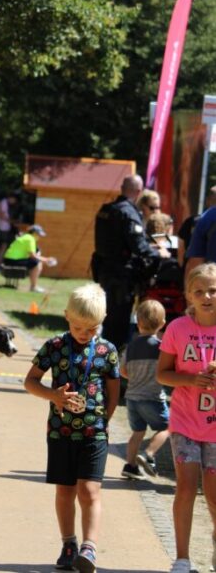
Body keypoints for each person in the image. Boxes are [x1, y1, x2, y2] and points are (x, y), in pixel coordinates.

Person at [24, 283, 120, 573]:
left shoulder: (107, 350)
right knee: (65, 491)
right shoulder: (54, 346)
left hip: (94, 434)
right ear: (67, 316)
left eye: (91, 328)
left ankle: (90, 547)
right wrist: (53, 396)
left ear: (101, 322)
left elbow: (113, 391)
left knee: (89, 490)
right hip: (60, 431)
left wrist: (104, 420)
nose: (84, 333)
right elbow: (30, 381)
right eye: (78, 327)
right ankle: (69, 544)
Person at [156, 263, 216, 573]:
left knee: (214, 494)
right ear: (189, 296)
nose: (207, 296)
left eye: (213, 290)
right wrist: (191, 380)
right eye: (199, 291)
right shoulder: (177, 328)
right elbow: (162, 374)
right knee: (186, 488)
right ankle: (182, 558)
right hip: (185, 422)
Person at [93, 174, 166, 350]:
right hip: (122, 274)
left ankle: (105, 351)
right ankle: (113, 355)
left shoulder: (106, 209)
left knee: (109, 315)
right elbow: (138, 246)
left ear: (122, 188)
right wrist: (158, 254)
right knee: (119, 320)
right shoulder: (128, 212)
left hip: (104, 270)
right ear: (139, 192)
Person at [119, 300, 169, 481]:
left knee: (137, 432)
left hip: (131, 398)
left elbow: (123, 371)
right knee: (168, 427)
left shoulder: (131, 346)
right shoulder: (161, 347)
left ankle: (130, 466)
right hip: (152, 397)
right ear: (162, 324)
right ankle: (149, 454)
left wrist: (135, 377)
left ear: (138, 322)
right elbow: (166, 369)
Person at [3, 224, 53, 293]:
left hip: (8, 259)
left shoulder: (26, 236)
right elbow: (33, 256)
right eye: (39, 234)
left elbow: (32, 254)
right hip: (13, 260)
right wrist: (46, 260)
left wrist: (43, 259)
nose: (39, 236)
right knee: (37, 263)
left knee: (35, 262)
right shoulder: (30, 239)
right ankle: (33, 287)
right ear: (34, 233)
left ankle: (33, 286)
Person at [177, 186, 216, 266]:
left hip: (201, 270)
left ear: (207, 200)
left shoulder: (198, 221)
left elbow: (181, 249)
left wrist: (182, 266)